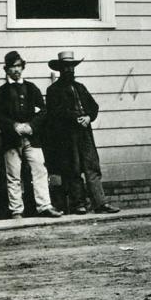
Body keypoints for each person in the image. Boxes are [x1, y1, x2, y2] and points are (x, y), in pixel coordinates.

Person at [43, 51, 119, 214]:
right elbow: (53, 113)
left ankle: (100, 203)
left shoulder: (80, 87)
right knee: (73, 168)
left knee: (92, 166)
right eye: (65, 68)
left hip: (85, 133)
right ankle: (79, 204)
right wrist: (73, 118)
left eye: (71, 67)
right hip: (67, 136)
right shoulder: (53, 90)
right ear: (60, 70)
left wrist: (88, 117)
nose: (69, 70)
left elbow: (94, 107)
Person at [0, 51, 63, 219]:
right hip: (11, 140)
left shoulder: (32, 89)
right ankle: (16, 210)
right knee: (13, 175)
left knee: (39, 169)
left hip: (32, 139)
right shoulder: (0, 93)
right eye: (12, 66)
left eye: (18, 66)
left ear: (22, 67)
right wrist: (14, 126)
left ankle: (44, 206)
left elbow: (43, 112)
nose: (16, 70)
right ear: (6, 69)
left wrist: (31, 126)